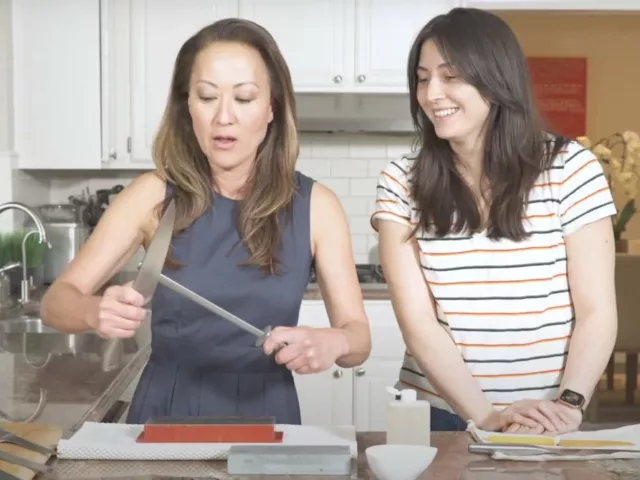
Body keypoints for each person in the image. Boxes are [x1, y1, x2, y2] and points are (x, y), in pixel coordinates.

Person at [40, 18, 371, 424]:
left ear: (272, 108)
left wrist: (334, 341)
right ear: (187, 106)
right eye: (207, 96)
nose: (223, 116)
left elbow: (359, 339)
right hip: (166, 411)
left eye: (245, 98)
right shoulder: (151, 196)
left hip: (268, 413)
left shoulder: (319, 206)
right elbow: (57, 302)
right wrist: (95, 311)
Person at [371, 7, 617, 434]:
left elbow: (596, 310)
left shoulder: (570, 168)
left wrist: (569, 404)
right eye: (423, 77)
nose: (431, 94)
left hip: (549, 416)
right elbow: (419, 324)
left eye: (451, 76)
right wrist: (484, 417)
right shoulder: (401, 179)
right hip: (441, 417)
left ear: (496, 79)